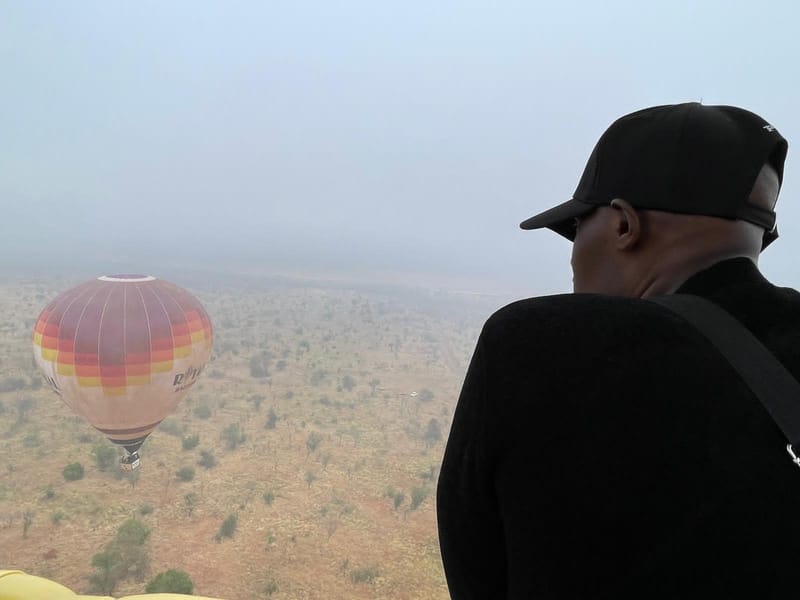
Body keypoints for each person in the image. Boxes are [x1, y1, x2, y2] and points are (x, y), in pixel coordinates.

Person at [436, 103, 800, 599]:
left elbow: (479, 576)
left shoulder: (539, 346)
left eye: (576, 226)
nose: (572, 252)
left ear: (625, 226)